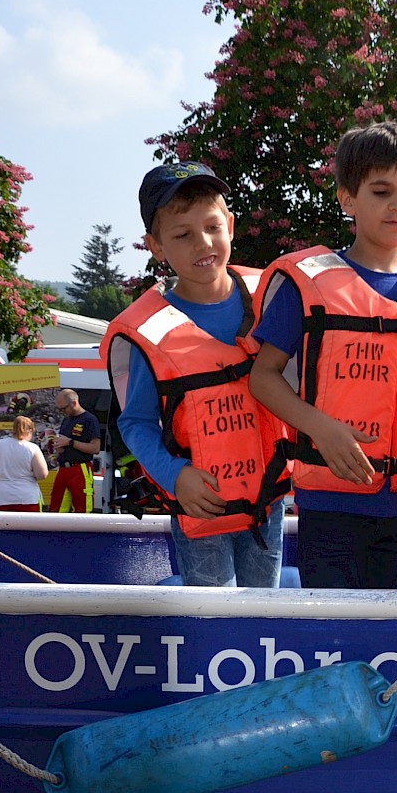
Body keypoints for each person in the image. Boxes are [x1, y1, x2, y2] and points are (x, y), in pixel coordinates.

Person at [249, 121, 397, 589]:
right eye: (381, 191)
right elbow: (262, 377)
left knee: (389, 641)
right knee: (335, 641)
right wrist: (320, 428)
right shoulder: (305, 285)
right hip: (329, 505)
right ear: (348, 198)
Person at [105, 162, 291, 588]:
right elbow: (134, 422)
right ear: (155, 246)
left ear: (229, 224)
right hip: (198, 503)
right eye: (182, 235)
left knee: (265, 623)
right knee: (214, 625)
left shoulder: (271, 301)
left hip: (268, 501)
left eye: (211, 226)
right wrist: (174, 476)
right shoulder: (149, 329)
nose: (202, 243)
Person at [47, 389, 101, 513]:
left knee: (83, 508)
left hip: (80, 468)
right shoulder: (67, 420)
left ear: (74, 403)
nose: (62, 412)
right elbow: (64, 442)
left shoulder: (89, 420)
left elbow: (95, 448)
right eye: (60, 409)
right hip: (63, 468)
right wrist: (59, 446)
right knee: (56, 508)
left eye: (64, 409)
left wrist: (71, 442)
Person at [0, 415, 48, 511]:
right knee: (29, 526)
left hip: (0, 497)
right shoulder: (32, 448)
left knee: (2, 526)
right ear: (29, 430)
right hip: (27, 497)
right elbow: (42, 474)